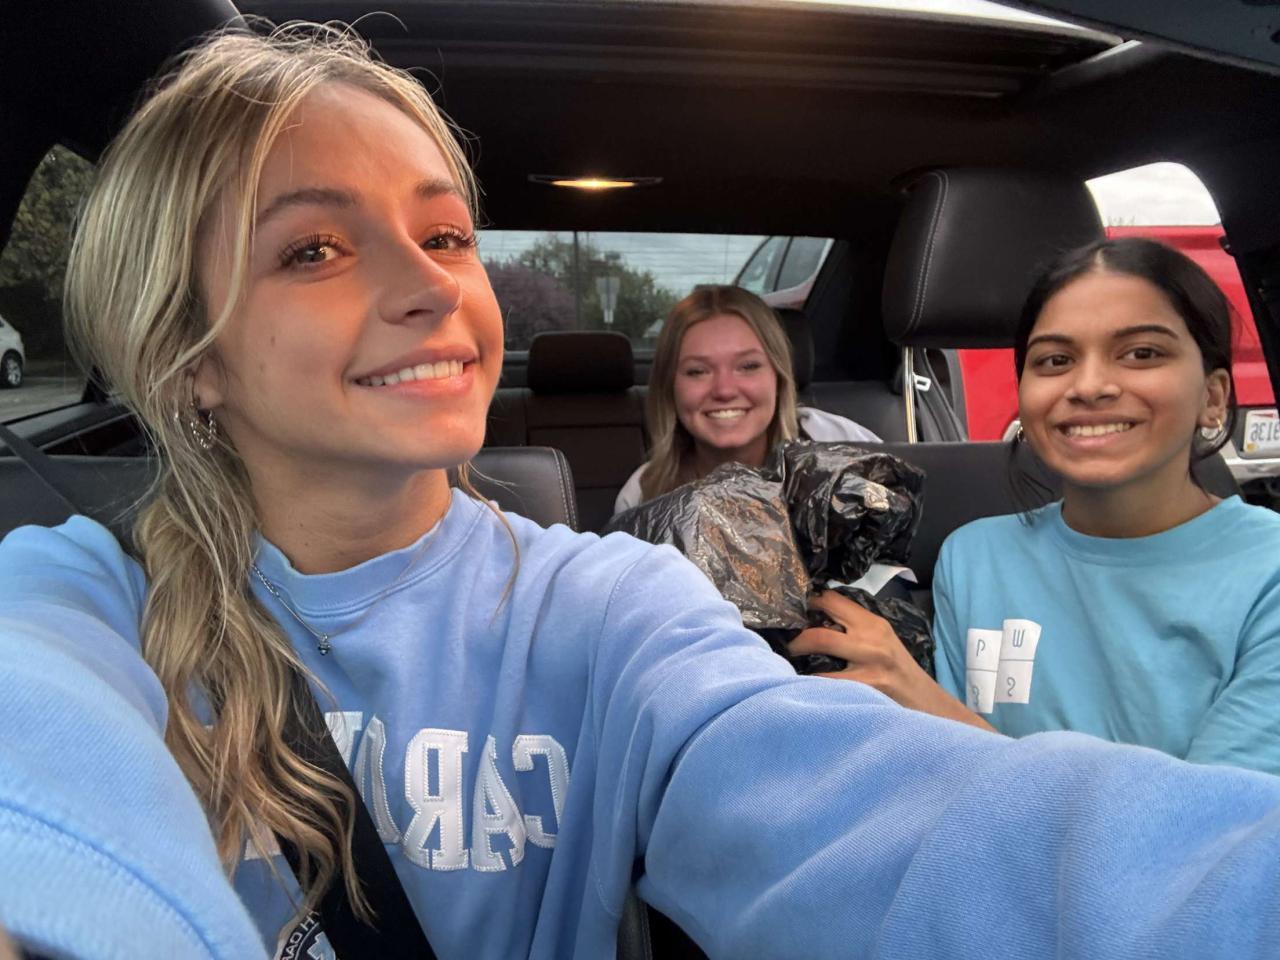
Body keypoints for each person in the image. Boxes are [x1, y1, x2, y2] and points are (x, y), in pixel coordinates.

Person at [4, 22, 1280, 960]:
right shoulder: (74, 602)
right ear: (187, 352)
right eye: (315, 247)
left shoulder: (613, 608)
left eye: (445, 235)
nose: (431, 283)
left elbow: (888, 817)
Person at [794, 238, 1280, 775]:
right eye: (1056, 360)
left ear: (1213, 397)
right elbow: (951, 781)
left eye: (1142, 353)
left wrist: (922, 700)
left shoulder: (1267, 573)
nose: (1089, 386)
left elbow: (1216, 821)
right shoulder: (975, 556)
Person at [612, 285, 879, 515]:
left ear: (779, 377)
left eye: (748, 366)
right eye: (697, 371)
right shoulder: (642, 494)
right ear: (670, 387)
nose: (724, 390)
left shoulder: (840, 443)